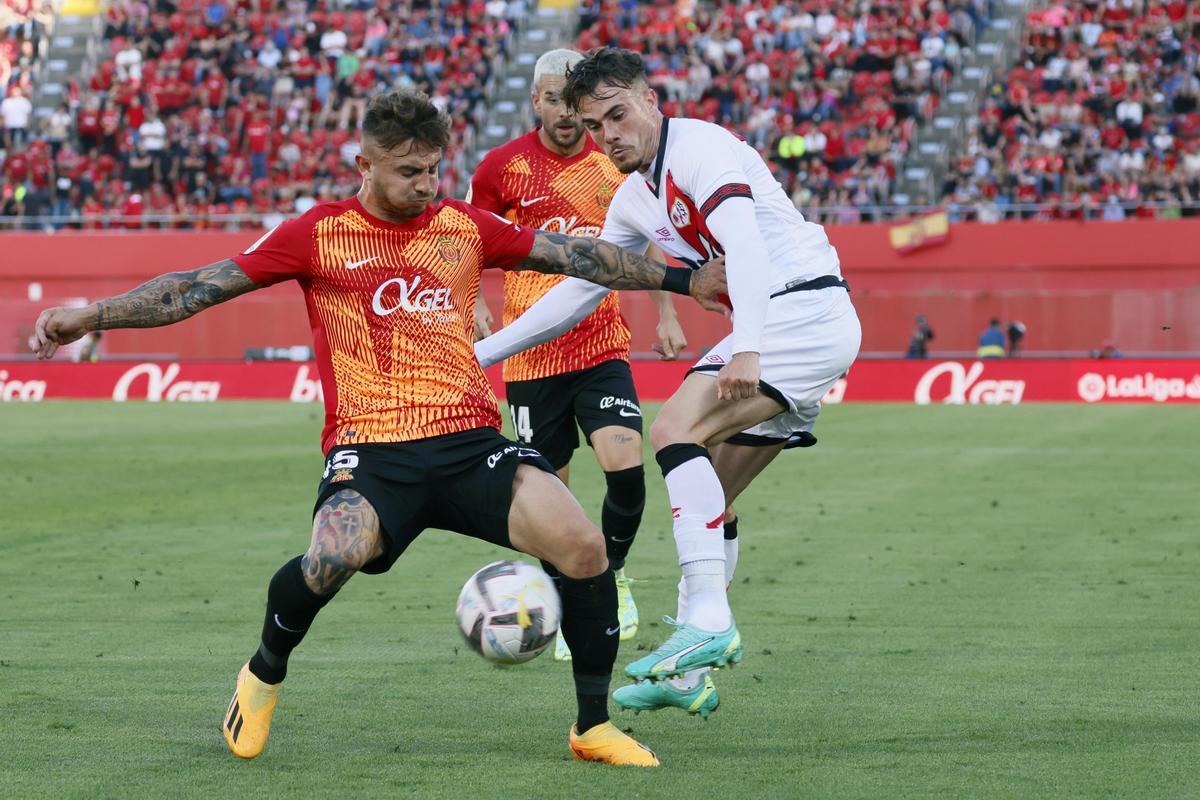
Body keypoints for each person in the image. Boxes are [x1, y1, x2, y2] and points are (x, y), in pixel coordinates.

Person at [32, 89, 727, 767]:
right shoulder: (319, 234)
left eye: (433, 169)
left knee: (582, 546)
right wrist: (95, 316)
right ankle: (264, 672)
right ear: (363, 165)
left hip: (470, 442)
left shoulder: (463, 226)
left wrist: (681, 281)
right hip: (372, 450)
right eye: (408, 172)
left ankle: (592, 725)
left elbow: (578, 256)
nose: (426, 185)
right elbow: (193, 288)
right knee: (332, 557)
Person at [474, 48, 861, 718]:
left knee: (673, 428)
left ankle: (708, 621)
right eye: (597, 126)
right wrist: (484, 353)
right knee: (712, 481)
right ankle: (689, 667)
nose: (610, 134)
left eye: (619, 114)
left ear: (652, 100)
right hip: (794, 322)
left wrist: (747, 345)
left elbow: (741, 241)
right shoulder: (632, 196)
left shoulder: (699, 148)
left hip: (800, 309)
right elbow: (578, 292)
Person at [468, 49, 687, 661]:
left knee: (625, 463)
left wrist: (667, 313)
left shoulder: (611, 163)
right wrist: (476, 306)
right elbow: (463, 242)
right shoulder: (501, 168)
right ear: (536, 100)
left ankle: (612, 575)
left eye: (574, 102)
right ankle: (569, 594)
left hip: (600, 344)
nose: (565, 113)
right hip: (532, 360)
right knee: (551, 499)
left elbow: (645, 241)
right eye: (553, 100)